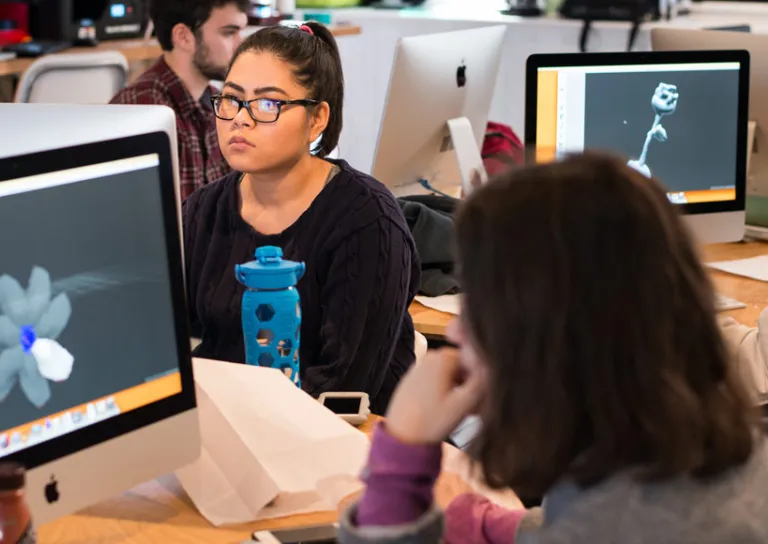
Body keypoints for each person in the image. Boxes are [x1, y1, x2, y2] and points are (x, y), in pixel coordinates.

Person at [339, 153, 768, 543]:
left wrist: (402, 457)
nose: (455, 334)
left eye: (480, 306)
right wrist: (483, 522)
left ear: (545, 341)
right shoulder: (720, 457)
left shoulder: (612, 526)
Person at [182, 22, 420, 414]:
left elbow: (345, 388)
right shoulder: (201, 211)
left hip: (345, 443)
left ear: (317, 118)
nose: (240, 119)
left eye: (268, 104)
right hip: (230, 428)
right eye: (231, 99)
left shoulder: (368, 221)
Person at [110, 0, 249, 200]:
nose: (240, 44)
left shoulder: (217, 102)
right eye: (228, 32)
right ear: (183, 37)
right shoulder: (142, 109)